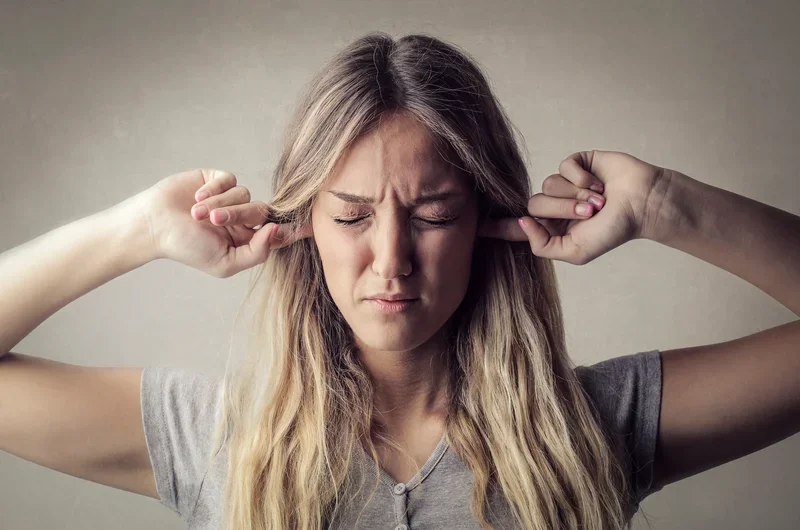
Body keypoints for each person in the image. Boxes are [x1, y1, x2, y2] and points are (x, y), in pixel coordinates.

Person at [1, 31, 798, 530]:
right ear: (304, 227)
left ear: (486, 222)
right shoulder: (214, 443)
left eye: (432, 214)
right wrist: (134, 230)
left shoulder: (587, 431)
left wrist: (664, 202)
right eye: (350, 216)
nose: (390, 258)